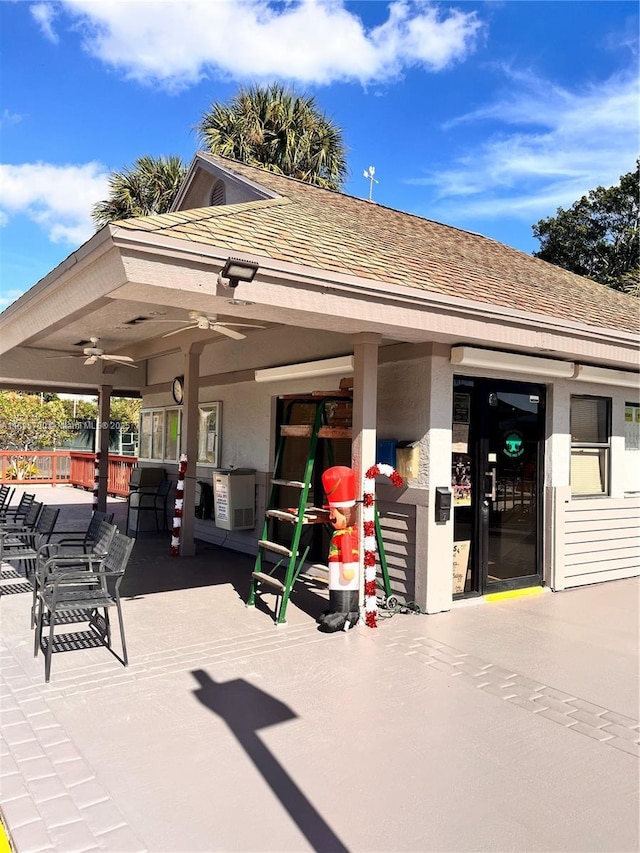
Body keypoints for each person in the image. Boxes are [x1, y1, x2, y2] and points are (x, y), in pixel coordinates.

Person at [318, 466, 360, 632]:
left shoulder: (346, 535)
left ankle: (345, 613)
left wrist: (348, 568)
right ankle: (335, 609)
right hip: (336, 569)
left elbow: (348, 552)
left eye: (334, 514)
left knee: (343, 589)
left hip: (344, 571)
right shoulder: (340, 532)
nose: (330, 517)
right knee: (335, 587)